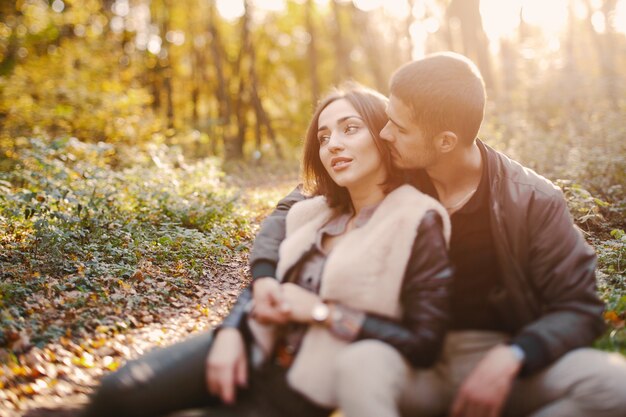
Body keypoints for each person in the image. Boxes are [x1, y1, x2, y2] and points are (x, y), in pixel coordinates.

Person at [249, 52, 626, 417]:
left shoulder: (531, 199)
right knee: (361, 365)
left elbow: (579, 307)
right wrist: (265, 273)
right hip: (410, 357)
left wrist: (513, 356)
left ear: (444, 141)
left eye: (398, 127)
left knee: (614, 384)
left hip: (503, 358)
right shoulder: (392, 170)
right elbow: (294, 205)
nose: (383, 133)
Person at [80, 84, 454, 417]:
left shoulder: (418, 218)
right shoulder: (313, 212)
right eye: (323, 137)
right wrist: (230, 331)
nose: (333, 144)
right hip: (248, 344)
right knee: (115, 395)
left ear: (383, 136)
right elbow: (268, 283)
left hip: (295, 388)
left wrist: (324, 313)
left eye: (350, 129)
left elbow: (424, 342)